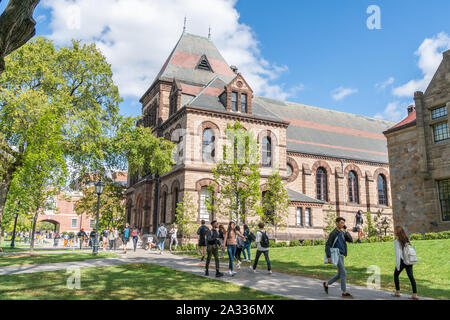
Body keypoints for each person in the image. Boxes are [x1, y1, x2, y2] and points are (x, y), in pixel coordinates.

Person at [323, 217, 354, 299]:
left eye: (343, 223)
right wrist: (329, 256)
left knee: (340, 274)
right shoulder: (333, 233)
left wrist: (346, 232)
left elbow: (351, 240)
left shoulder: (342, 232)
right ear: (336, 223)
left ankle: (326, 284)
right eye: (341, 222)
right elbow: (328, 245)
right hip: (336, 255)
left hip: (342, 255)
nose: (342, 224)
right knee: (343, 272)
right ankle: (344, 292)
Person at [393, 226, 418, 300]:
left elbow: (398, 254)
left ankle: (397, 292)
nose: (394, 232)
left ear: (397, 232)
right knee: (411, 277)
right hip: (409, 260)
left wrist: (398, 265)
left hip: (402, 261)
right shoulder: (406, 239)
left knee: (395, 275)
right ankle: (415, 294)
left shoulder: (397, 241)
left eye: (395, 231)